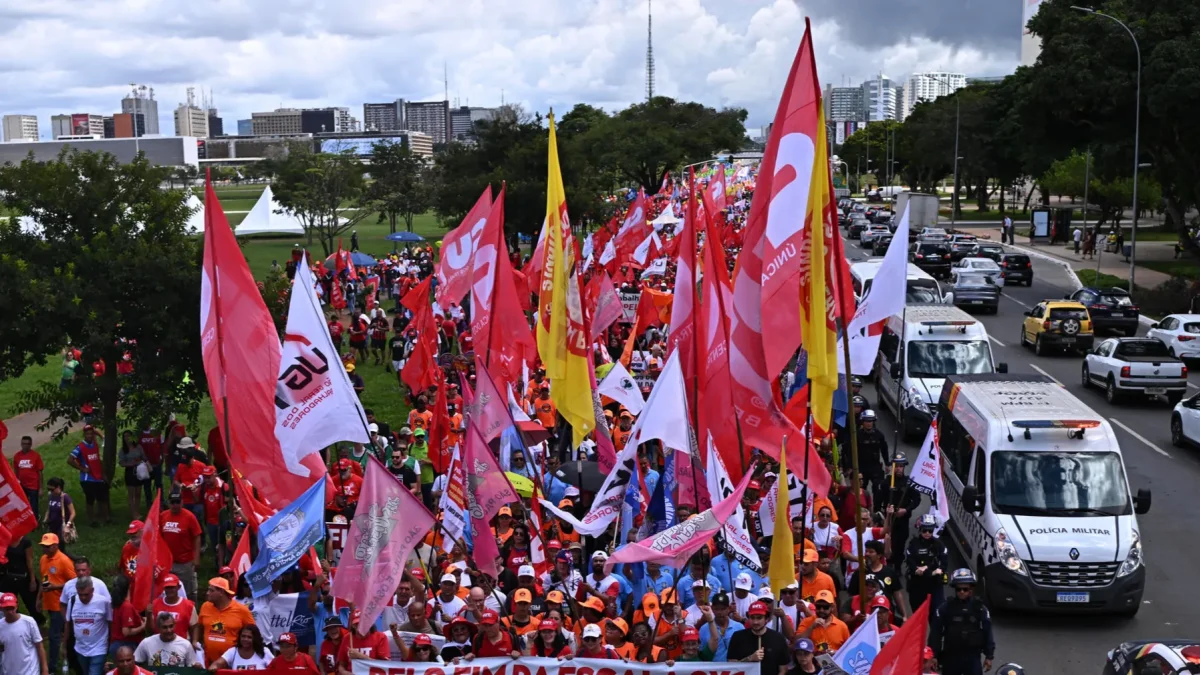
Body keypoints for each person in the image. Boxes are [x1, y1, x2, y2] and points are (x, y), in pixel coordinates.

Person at [929, 569, 994, 675]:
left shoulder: (980, 609)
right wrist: (934, 655)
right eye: (959, 589)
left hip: (972, 657)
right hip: (951, 656)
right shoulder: (945, 608)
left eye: (965, 589)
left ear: (971, 590)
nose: (962, 592)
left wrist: (989, 656)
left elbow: (988, 632)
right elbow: (936, 633)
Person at [195, 577, 256, 664]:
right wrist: (195, 641)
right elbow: (199, 625)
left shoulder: (241, 610)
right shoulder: (205, 606)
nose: (208, 593)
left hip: (233, 661)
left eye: (211, 591)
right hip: (208, 660)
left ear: (221, 592)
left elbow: (253, 632)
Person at [38, 532, 75, 675]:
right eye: (43, 546)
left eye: (47, 546)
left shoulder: (64, 561)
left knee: (54, 636)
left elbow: (74, 582)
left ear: (55, 546)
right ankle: (66, 657)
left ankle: (52, 667)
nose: (44, 549)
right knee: (60, 633)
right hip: (49, 603)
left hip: (60, 605)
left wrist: (55, 587)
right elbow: (43, 580)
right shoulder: (43, 559)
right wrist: (39, 599)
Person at [727, 602, 790, 675]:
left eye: (759, 618)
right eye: (752, 618)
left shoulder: (778, 638)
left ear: (766, 619)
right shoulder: (737, 637)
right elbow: (731, 667)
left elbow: (783, 670)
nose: (755, 622)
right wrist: (749, 658)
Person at [161, 491, 202, 598]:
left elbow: (197, 536)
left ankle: (191, 610)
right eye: (172, 502)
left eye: (177, 502)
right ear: (168, 503)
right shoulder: (163, 516)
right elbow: (157, 536)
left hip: (185, 562)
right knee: (168, 590)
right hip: (168, 562)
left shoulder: (189, 517)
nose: (175, 505)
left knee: (188, 591)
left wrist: (196, 558)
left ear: (182, 502)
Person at [67, 576, 111, 675]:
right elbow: (68, 623)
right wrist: (65, 644)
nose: (83, 598)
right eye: (80, 594)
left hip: (99, 648)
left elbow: (110, 622)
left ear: (92, 590)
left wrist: (110, 642)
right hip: (80, 648)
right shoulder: (73, 601)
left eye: (86, 595)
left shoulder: (103, 602)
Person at [905, 514, 947, 616]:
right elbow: (911, 564)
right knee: (918, 615)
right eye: (924, 530)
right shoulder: (913, 545)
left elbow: (944, 564)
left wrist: (930, 570)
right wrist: (926, 570)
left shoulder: (939, 545)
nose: (927, 533)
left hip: (935, 585)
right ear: (920, 530)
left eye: (930, 531)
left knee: (936, 614)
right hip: (917, 585)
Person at [67, 425, 110, 526]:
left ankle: (107, 518)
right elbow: (70, 460)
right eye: (87, 434)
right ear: (84, 435)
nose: (90, 436)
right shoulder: (80, 447)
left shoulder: (95, 444)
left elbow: (101, 436)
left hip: (98, 477)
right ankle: (92, 520)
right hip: (87, 478)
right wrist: (82, 468)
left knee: (103, 498)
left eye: (91, 433)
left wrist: (97, 432)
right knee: (90, 499)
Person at [0, 592, 48, 675]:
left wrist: (45, 670)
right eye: (7, 609)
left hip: (29, 671)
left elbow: (39, 646)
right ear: (1, 609)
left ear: (16, 606)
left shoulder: (29, 622)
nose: (10, 612)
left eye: (12, 608)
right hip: (8, 671)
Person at [0, 534, 42, 627]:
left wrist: (32, 579)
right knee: (9, 604)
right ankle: (14, 623)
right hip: (8, 577)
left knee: (31, 603)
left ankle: (39, 623)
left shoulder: (25, 542)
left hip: (24, 577)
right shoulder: (4, 540)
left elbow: (29, 561)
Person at [134, 611, 199, 667]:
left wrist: (197, 667)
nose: (169, 630)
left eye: (171, 626)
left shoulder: (186, 645)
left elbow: (192, 666)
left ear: (175, 625)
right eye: (164, 627)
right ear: (158, 628)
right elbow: (135, 663)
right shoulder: (146, 643)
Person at [795, 590, 849, 655]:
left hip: (834, 662)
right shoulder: (807, 622)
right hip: (812, 663)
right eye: (818, 606)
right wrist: (811, 627)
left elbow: (849, 650)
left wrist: (835, 652)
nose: (821, 610)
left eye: (825, 607)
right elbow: (796, 642)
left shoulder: (842, 626)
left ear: (832, 607)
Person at [699, 592, 743, 662]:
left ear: (728, 609)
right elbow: (701, 654)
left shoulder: (739, 627)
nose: (720, 612)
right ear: (712, 609)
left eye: (723, 609)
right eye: (716, 609)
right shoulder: (704, 629)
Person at [209, 624, 273, 670]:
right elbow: (217, 663)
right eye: (243, 636)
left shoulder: (264, 651)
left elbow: (276, 667)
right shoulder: (233, 651)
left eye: (249, 637)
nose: (245, 639)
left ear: (255, 639)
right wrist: (213, 668)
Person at [12, 436, 44, 519]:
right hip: (22, 485)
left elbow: (40, 472)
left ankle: (35, 520)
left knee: (34, 505)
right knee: (23, 505)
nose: (25, 446)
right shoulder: (17, 456)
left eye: (27, 444)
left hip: (33, 485)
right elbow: (16, 470)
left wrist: (40, 488)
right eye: (23, 444)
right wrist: (16, 484)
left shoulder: (36, 456)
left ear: (30, 445)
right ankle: (26, 521)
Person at [118, 431, 147, 520]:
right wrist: (131, 464)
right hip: (130, 472)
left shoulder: (138, 447)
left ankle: (137, 511)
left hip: (139, 471)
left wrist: (142, 462)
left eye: (128, 436)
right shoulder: (123, 450)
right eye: (125, 436)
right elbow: (121, 463)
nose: (127, 438)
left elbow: (144, 457)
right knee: (131, 494)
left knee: (138, 493)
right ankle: (133, 513)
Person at [43, 477, 75, 549]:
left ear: (58, 487)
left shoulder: (65, 497)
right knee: (51, 544)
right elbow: (48, 509)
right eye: (48, 489)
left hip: (61, 525)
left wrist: (68, 525)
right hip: (52, 524)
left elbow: (73, 513)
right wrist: (45, 519)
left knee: (60, 546)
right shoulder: (51, 496)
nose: (50, 491)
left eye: (52, 489)